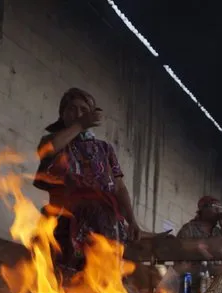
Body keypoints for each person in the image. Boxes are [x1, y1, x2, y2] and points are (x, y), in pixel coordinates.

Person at [33, 88, 141, 276]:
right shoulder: (53, 140)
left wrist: (131, 220)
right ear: (62, 114)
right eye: (72, 109)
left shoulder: (105, 149)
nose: (77, 114)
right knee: (61, 275)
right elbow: (47, 151)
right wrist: (80, 125)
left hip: (103, 223)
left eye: (84, 110)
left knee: (100, 279)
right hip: (64, 218)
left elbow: (119, 187)